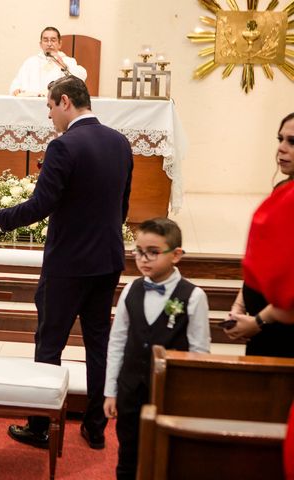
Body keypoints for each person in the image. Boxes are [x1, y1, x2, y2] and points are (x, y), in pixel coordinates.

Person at [0, 75, 133, 451]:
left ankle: (39, 425)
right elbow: (123, 206)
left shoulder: (64, 147)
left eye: (49, 107)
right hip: (107, 259)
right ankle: (95, 428)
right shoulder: (120, 142)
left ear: (65, 102)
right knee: (98, 344)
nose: (49, 116)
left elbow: (39, 206)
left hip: (67, 265)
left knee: (49, 344)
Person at [103, 218, 211, 480]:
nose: (144, 259)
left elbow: (199, 352)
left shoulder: (193, 296)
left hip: (169, 393)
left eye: (153, 252)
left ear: (176, 255)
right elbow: (117, 342)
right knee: (128, 452)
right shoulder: (131, 289)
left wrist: (191, 400)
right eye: (139, 252)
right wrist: (111, 391)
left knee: (165, 456)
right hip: (130, 390)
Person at [224, 112, 294, 356]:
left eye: (292, 142)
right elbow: (269, 261)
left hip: (283, 334)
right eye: (280, 139)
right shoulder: (284, 189)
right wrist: (241, 303)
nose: (281, 149)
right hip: (265, 328)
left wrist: (258, 322)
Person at [9, 26, 88, 97]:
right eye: (46, 40)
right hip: (33, 104)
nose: (49, 44)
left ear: (59, 43)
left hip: (58, 106)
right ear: (40, 44)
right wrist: (15, 89)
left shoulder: (68, 61)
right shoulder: (30, 62)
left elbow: (81, 79)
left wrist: (64, 66)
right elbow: (17, 82)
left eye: (53, 40)